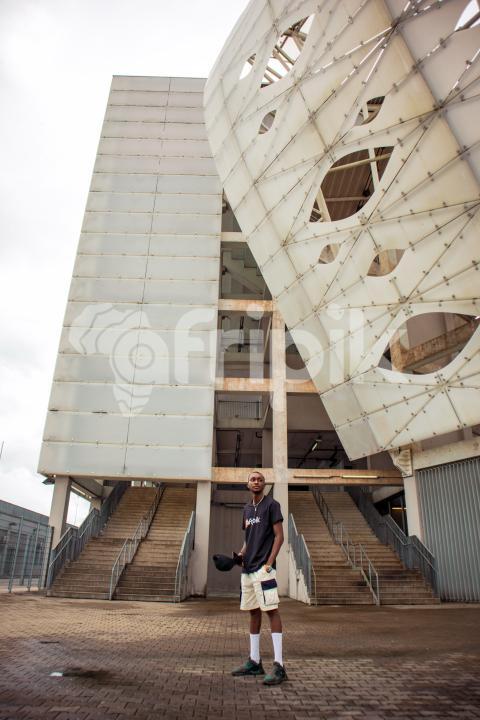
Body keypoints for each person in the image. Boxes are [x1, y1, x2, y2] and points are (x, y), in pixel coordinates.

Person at [231, 470, 287, 685]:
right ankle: (255, 662)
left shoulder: (272, 505)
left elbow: (279, 536)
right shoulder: (246, 509)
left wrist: (269, 563)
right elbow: (248, 539)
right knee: (253, 613)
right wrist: (239, 556)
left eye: (260, 479)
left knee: (271, 611)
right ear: (247, 484)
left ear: (264, 484)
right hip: (248, 569)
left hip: (264, 568)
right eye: (253, 479)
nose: (256, 482)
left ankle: (279, 665)